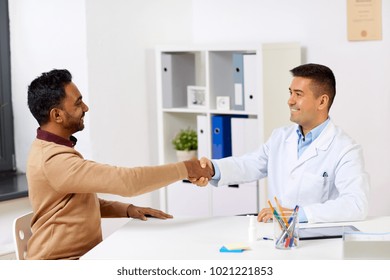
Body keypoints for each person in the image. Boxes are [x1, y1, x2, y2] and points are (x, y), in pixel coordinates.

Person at [26, 69, 213, 260]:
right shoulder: (53, 160)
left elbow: (77, 203)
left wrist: (127, 210)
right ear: (57, 115)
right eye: (78, 103)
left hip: (84, 258)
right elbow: (127, 181)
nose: (86, 107)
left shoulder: (54, 149)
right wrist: (186, 169)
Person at [192, 63, 370, 224]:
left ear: (322, 101)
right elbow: (251, 164)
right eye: (290, 92)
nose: (290, 100)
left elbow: (355, 204)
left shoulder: (345, 149)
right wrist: (212, 169)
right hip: (277, 235)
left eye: (298, 94)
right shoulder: (280, 136)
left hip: (318, 241)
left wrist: (298, 215)